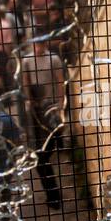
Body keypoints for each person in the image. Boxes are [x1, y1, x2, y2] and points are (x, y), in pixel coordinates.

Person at [21, 38, 66, 210]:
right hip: (37, 108)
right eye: (36, 44)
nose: (39, 48)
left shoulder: (53, 59)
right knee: (42, 156)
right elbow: (26, 81)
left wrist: (61, 104)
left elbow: (60, 81)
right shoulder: (27, 60)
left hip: (51, 106)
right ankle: (53, 195)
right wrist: (29, 100)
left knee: (43, 157)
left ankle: (54, 196)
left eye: (41, 44)